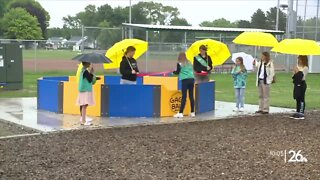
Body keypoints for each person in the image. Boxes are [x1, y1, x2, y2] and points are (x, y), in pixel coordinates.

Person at [173, 52, 195, 118]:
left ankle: (180, 113)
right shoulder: (190, 62)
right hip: (192, 79)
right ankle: (192, 112)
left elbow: (177, 72)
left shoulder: (179, 63)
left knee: (184, 96)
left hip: (185, 80)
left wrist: (173, 72)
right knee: (191, 96)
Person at [290, 55, 308, 120]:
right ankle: (297, 111)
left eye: (300, 59)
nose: (299, 60)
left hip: (302, 84)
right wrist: (294, 71)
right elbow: (293, 76)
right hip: (296, 84)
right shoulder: (297, 67)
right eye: (298, 59)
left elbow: (302, 77)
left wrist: (297, 71)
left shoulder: (305, 67)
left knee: (301, 98)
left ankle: (301, 112)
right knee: (297, 97)